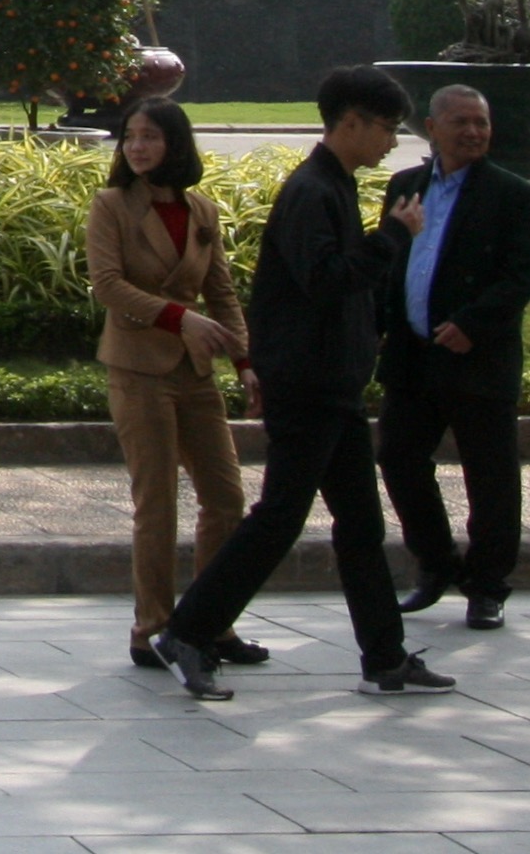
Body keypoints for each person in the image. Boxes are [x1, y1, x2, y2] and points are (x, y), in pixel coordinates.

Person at [153, 65, 455, 699]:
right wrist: (391, 238)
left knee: (360, 525)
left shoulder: (334, 185)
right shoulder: (311, 191)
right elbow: (324, 279)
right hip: (308, 385)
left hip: (334, 385)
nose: (391, 143)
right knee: (279, 517)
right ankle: (188, 630)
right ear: (351, 123)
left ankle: (386, 657)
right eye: (386, 129)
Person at [85, 96, 267, 674]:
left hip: (194, 371)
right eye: (130, 136)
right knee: (157, 502)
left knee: (226, 499)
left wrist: (244, 362)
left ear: (175, 145)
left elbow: (223, 293)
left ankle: (209, 622)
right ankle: (152, 629)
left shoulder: (201, 210)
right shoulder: (111, 205)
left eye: (150, 137)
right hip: (138, 368)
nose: (137, 147)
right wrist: (177, 317)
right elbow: (107, 285)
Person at [377, 83, 530, 632]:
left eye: (482, 122)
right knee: (399, 458)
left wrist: (474, 324)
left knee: (490, 476)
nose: (474, 132)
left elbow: (524, 274)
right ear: (432, 128)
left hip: (478, 357)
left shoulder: (512, 194)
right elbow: (392, 260)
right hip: (412, 355)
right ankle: (436, 563)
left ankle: (488, 585)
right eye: (461, 122)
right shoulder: (406, 186)